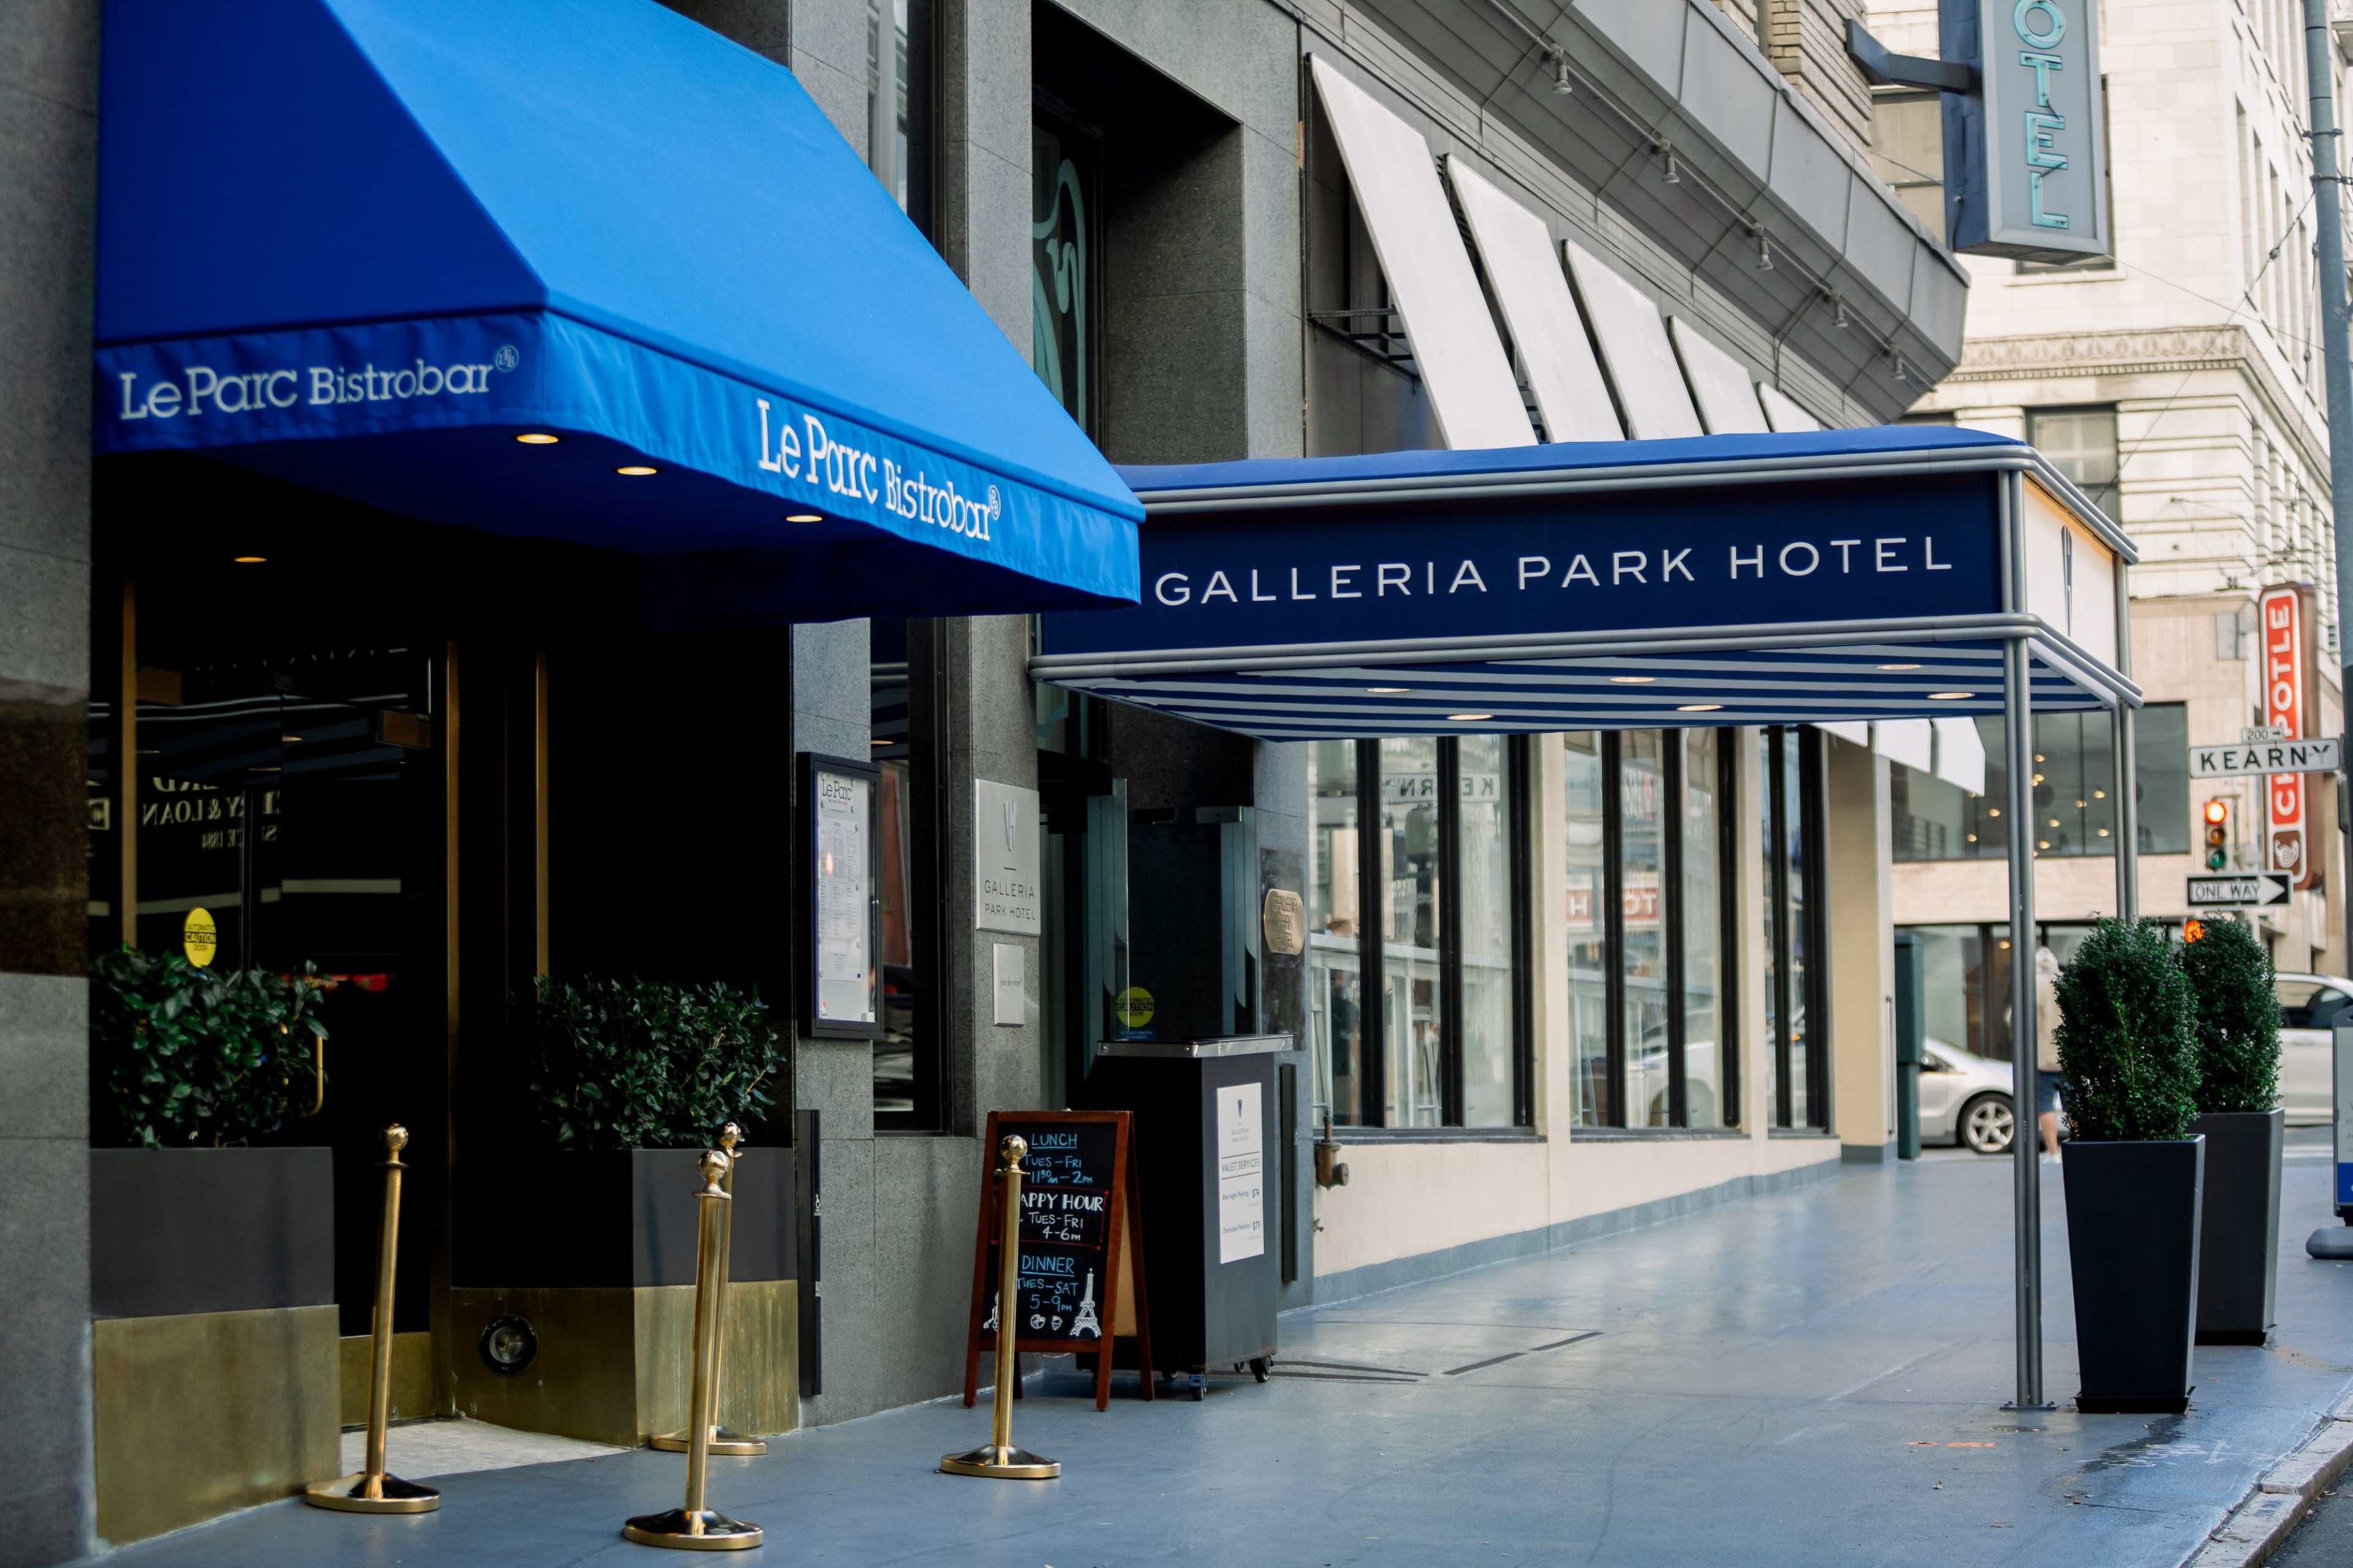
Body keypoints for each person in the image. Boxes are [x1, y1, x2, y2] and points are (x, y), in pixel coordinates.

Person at [2033, 947, 2064, 1164]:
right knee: (2074, 1106)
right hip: (2068, 1057)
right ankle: (2078, 1145)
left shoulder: (2032, 984)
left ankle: (2053, 1152)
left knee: (2045, 1106)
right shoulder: (2064, 983)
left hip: (2042, 1058)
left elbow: (2018, 1018)